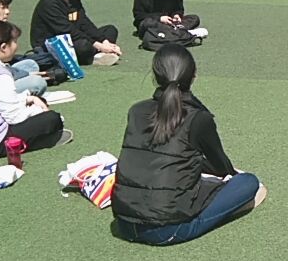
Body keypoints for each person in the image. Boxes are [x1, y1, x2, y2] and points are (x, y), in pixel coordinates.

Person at [110, 44, 265, 245]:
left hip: (124, 224)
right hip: (167, 230)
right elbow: (221, 167)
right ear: (194, 76)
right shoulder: (198, 118)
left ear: (155, 76)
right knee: (248, 182)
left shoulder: (136, 110)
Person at [0, 21, 68, 161]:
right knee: (52, 119)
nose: (16, 46)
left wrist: (27, 99)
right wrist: (37, 111)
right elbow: (14, 117)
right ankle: (39, 142)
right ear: (4, 47)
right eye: (14, 41)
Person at [29, 0, 121, 66]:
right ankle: (96, 55)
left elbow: (84, 23)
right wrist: (98, 45)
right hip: (51, 43)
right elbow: (66, 30)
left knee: (110, 30)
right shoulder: (49, 2)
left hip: (72, 37)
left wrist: (104, 41)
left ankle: (97, 54)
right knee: (84, 45)